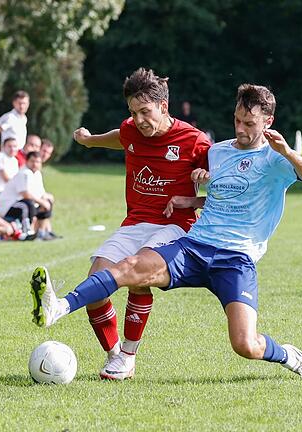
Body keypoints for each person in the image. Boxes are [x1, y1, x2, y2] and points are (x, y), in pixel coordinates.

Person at [31, 84, 302, 381]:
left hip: (236, 258)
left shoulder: (275, 159)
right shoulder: (219, 152)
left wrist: (288, 152)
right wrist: (193, 199)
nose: (241, 128)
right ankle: (60, 306)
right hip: (195, 246)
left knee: (246, 345)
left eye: (249, 123)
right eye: (237, 120)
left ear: (268, 122)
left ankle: (291, 356)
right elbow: (224, 194)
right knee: (132, 268)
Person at [69, 67, 210, 380]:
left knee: (137, 276)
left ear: (163, 106)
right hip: (134, 221)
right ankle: (115, 355)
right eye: (133, 113)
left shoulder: (192, 139)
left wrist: (206, 177)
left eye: (145, 112)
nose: (139, 120)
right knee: (96, 285)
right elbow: (119, 137)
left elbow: (225, 178)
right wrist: (90, 141)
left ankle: (129, 354)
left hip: (174, 225)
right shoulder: (130, 129)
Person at [0, 151, 58, 241]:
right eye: (32, 161)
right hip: (7, 205)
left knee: (47, 203)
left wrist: (47, 198)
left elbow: (41, 193)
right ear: (27, 161)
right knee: (27, 205)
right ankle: (26, 232)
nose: (35, 164)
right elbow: (25, 194)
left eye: (37, 162)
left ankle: (42, 232)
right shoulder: (23, 173)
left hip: (21, 203)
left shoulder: (37, 174)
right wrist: (42, 202)